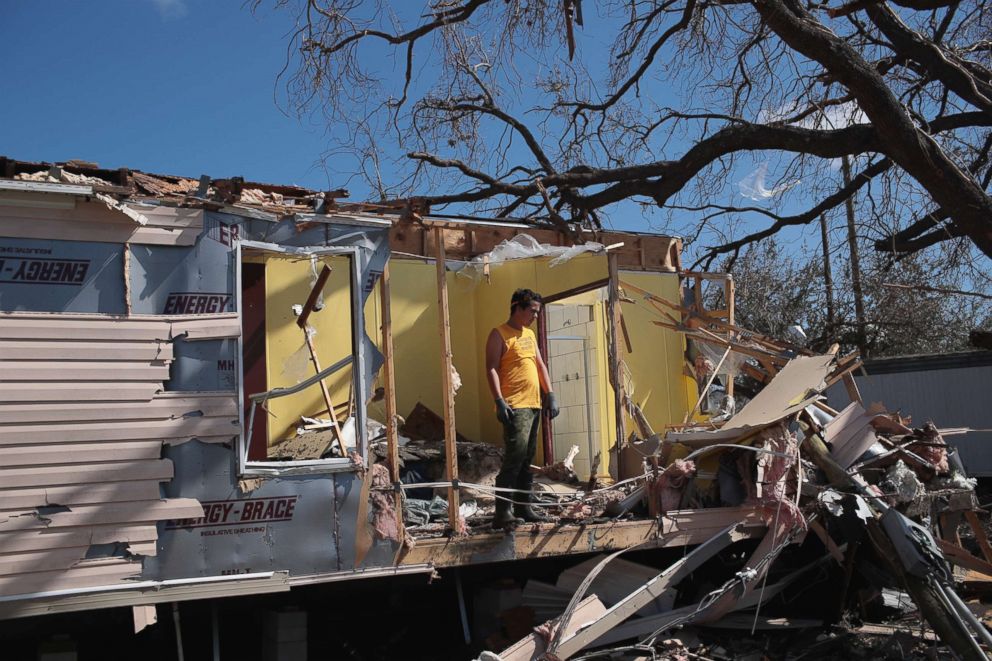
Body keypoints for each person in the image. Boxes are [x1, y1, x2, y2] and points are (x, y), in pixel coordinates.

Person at [485, 288, 560, 529]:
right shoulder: (499, 334)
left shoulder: (529, 335)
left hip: (534, 404)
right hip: (515, 406)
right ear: (518, 307)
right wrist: (499, 400)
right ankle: (503, 511)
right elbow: (492, 368)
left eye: (538, 312)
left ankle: (523, 507)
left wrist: (550, 394)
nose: (535, 316)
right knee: (514, 458)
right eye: (533, 311)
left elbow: (540, 365)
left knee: (527, 459)